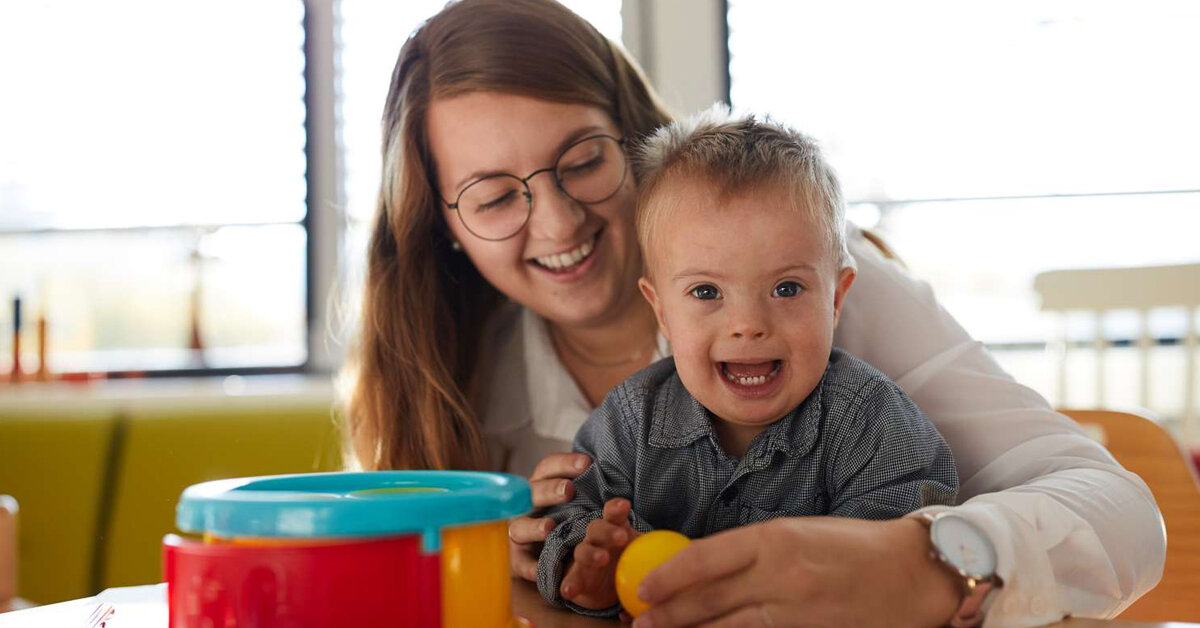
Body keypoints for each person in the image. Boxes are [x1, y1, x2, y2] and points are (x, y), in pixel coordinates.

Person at [341, 0, 1165, 626]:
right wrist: (534, 562)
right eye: (491, 197)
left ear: (634, 143)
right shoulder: (452, 380)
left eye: (584, 161)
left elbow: (1124, 516)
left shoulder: (824, 293)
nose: (558, 225)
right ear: (442, 228)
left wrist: (927, 563)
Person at [536, 109, 959, 615]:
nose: (748, 324)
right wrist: (590, 563)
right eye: (706, 291)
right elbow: (565, 521)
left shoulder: (871, 423)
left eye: (786, 288)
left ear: (835, 299)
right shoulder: (630, 419)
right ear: (662, 311)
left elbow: (907, 553)